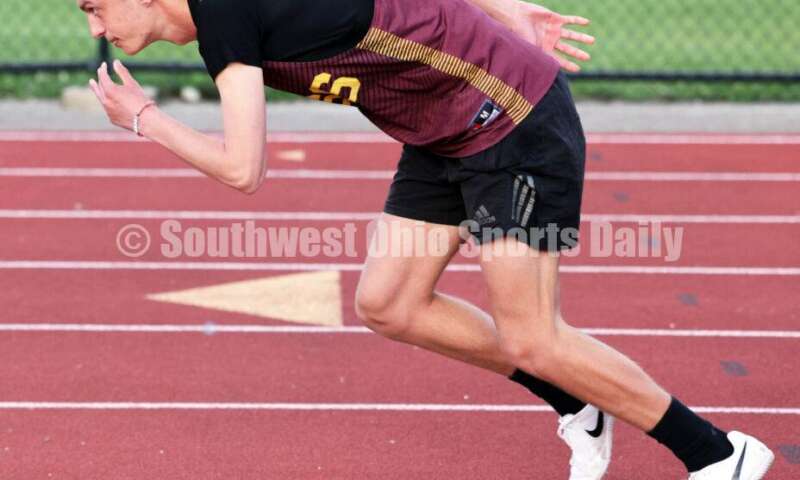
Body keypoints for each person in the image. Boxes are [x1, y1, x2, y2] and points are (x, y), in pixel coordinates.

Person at [78, 0, 775, 478]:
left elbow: (244, 168)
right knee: (390, 304)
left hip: (511, 116)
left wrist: (146, 119)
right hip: (441, 133)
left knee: (533, 335)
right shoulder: (229, 19)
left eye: (94, 4)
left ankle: (717, 454)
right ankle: (577, 399)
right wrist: (505, 10)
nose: (94, 21)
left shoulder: (225, 17)